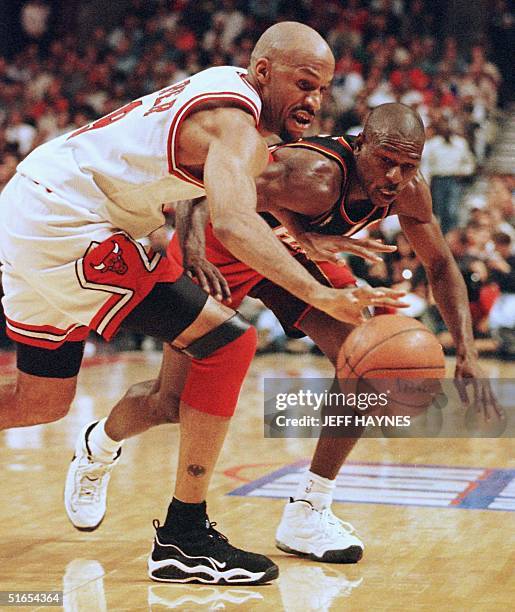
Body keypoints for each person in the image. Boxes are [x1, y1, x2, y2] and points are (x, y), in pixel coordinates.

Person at [0, 22, 405, 585]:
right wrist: (319, 293)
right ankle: (184, 539)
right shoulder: (236, 124)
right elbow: (236, 220)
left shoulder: (226, 95)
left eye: (323, 89)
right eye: (304, 83)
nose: (314, 100)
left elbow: (225, 186)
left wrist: (300, 239)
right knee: (229, 341)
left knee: (38, 402)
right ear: (264, 72)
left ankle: (154, 498)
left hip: (40, 205)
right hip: (67, 223)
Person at [67, 104, 500, 566]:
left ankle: (310, 507)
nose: (394, 175)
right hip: (221, 249)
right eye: (385, 160)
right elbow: (207, 185)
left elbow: (439, 265)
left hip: (294, 258)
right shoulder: (308, 174)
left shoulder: (409, 191)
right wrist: (190, 245)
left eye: (407, 165)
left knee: (367, 361)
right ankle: (98, 446)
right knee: (169, 403)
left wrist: (467, 353)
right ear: (360, 146)